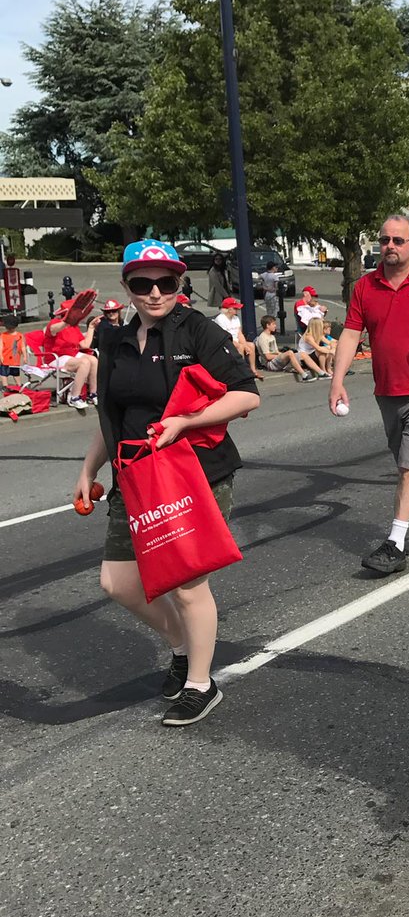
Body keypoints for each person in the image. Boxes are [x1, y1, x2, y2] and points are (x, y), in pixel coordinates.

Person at [73, 239, 260, 726]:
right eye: (143, 284)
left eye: (166, 283)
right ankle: (181, 647)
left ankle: (201, 683)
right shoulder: (113, 342)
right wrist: (89, 469)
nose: (155, 293)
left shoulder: (198, 331)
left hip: (193, 473)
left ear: (180, 283)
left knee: (185, 583)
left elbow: (246, 397)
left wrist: (186, 422)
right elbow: (110, 414)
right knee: (117, 583)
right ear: (127, 287)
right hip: (133, 476)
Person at [328, 214, 409, 574]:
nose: (390, 247)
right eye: (385, 241)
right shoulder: (366, 287)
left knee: (408, 465)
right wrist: (337, 380)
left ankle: (394, 544)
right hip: (387, 391)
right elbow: (351, 334)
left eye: (398, 240)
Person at [43, 299, 99, 409]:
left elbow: (85, 345)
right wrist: (67, 321)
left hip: (71, 355)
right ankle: (74, 397)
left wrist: (91, 327)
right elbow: (53, 329)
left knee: (93, 360)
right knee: (84, 363)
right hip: (55, 357)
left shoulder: (74, 327)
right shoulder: (55, 323)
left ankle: (93, 394)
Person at [255, 314, 318, 380]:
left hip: (277, 360)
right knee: (290, 353)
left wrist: (282, 355)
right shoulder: (263, 338)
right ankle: (304, 375)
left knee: (302, 354)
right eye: (273, 324)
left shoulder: (272, 336)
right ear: (267, 325)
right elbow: (268, 357)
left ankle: (321, 373)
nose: (275, 326)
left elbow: (276, 351)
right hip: (270, 364)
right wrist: (282, 355)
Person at [214, 297, 263, 379]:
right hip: (225, 341)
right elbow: (225, 336)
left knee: (251, 345)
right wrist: (241, 345)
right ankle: (242, 370)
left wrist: (245, 345)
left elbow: (239, 333)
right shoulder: (220, 319)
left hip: (236, 340)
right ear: (229, 309)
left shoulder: (236, 318)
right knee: (240, 347)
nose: (237, 310)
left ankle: (253, 370)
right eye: (235, 308)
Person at [0, 313, 27, 383]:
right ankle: (5, 386)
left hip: (15, 359)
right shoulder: (3, 335)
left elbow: (23, 346)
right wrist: (1, 356)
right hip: (5, 359)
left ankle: (19, 385)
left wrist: (25, 356)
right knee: (3, 374)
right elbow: (1, 346)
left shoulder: (20, 336)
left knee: (16, 374)